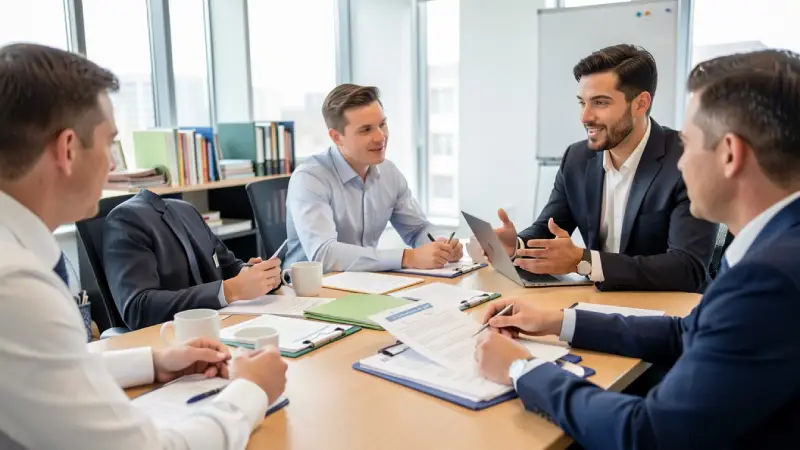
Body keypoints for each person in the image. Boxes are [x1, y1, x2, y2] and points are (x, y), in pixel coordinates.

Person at [475, 49, 800, 449]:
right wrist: (558, 321)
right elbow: (687, 333)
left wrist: (522, 370)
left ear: (730, 154)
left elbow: (648, 435)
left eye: (692, 141)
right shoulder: (774, 246)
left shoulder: (766, 279)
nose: (682, 162)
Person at [0, 43, 287, 449]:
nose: (113, 166)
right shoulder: (15, 286)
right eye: (109, 144)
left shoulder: (20, 249)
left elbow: (43, 366)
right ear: (67, 149)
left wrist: (151, 361)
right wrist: (251, 392)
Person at [491, 44, 717, 292]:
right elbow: (548, 228)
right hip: (598, 304)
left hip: (667, 312)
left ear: (640, 104)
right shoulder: (576, 158)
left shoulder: (688, 159)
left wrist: (584, 262)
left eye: (600, 103)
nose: (585, 117)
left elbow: (687, 268)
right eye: (582, 103)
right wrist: (517, 245)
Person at [285, 83, 463, 272]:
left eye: (382, 124)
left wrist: (441, 244)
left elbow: (417, 229)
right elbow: (324, 254)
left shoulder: (389, 173)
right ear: (337, 137)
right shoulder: (310, 178)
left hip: (366, 285)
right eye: (365, 130)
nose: (380, 137)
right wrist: (408, 257)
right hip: (309, 292)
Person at [103, 190, 282, 330]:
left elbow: (228, 265)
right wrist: (231, 290)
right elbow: (138, 309)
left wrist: (251, 273)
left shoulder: (186, 210)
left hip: (222, 327)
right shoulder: (125, 220)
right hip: (172, 339)